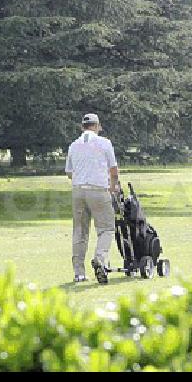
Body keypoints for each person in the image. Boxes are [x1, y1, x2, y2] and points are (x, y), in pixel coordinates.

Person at [65, 113, 120, 284]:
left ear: (82, 127)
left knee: (80, 231)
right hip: (98, 189)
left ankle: (79, 273)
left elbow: (69, 172)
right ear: (97, 126)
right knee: (106, 228)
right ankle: (100, 259)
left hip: (78, 191)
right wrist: (113, 188)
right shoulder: (105, 143)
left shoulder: (74, 145)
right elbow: (114, 171)